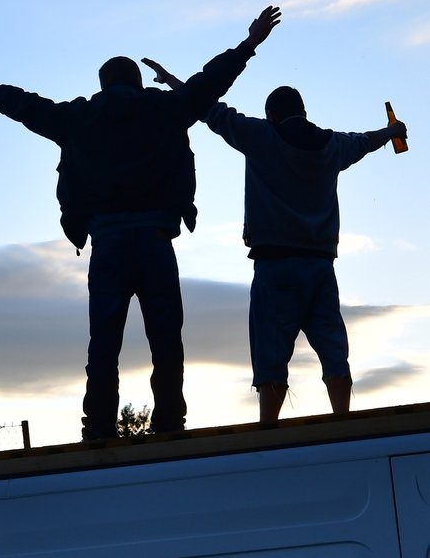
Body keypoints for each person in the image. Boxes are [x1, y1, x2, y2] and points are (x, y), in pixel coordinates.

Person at [0, 6, 282, 440]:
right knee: (166, 340)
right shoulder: (165, 109)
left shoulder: (79, 118)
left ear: (103, 84)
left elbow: (29, 108)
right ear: (138, 83)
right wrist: (249, 44)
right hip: (155, 240)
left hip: (107, 244)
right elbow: (209, 83)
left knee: (103, 343)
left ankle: (99, 428)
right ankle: (169, 422)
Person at [142, 60, 409, 423]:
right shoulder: (332, 146)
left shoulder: (259, 137)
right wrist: (391, 129)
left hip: (274, 266)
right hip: (320, 266)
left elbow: (207, 108)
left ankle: (269, 427)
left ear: (270, 116)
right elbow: (366, 142)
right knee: (332, 347)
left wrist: (173, 80)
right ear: (303, 112)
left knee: (270, 354)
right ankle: (343, 419)